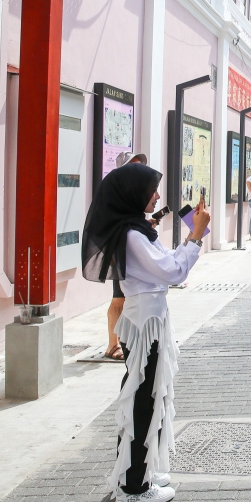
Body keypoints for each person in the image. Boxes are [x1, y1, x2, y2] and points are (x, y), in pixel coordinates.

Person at [81, 162, 210, 502]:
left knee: (146, 395)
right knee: (143, 398)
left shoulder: (135, 230)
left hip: (146, 321)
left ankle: (137, 473)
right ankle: (134, 487)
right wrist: (196, 234)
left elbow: (166, 261)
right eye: (151, 190)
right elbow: (172, 271)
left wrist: (191, 235)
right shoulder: (133, 235)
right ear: (134, 195)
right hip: (143, 325)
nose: (156, 196)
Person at [105, 152, 148, 362]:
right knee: (118, 298)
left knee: (127, 297)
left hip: (131, 249)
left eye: (140, 165)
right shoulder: (115, 193)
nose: (138, 169)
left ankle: (123, 340)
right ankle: (113, 345)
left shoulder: (136, 193)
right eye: (134, 166)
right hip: (118, 249)